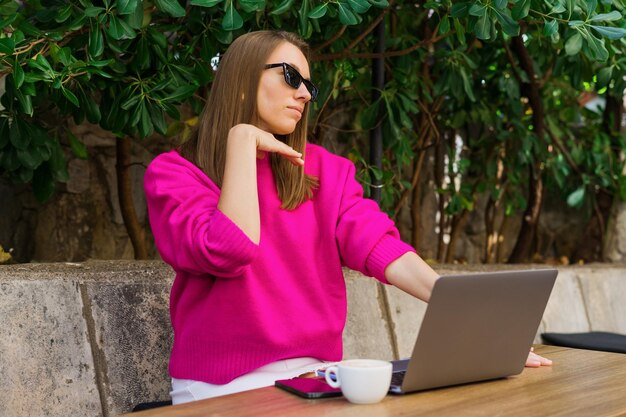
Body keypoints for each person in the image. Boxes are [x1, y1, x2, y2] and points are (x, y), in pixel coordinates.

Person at [143, 30, 551, 405]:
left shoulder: (325, 171)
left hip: (316, 380)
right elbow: (230, 250)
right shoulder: (175, 174)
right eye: (290, 76)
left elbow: (379, 246)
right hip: (222, 388)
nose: (303, 94)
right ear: (243, 78)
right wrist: (241, 140)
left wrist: (477, 317)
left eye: (308, 84)